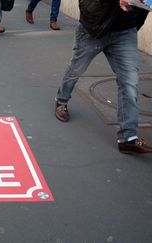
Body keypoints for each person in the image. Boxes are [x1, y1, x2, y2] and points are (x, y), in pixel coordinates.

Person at [54, 0, 152, 154]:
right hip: (94, 29)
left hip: (125, 32)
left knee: (129, 82)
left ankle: (128, 138)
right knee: (76, 69)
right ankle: (61, 100)